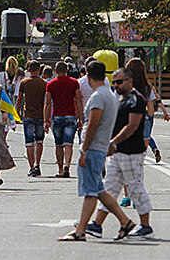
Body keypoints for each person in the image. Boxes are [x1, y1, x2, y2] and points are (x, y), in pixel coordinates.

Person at [59, 61, 135, 241]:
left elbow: (92, 124)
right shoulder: (110, 95)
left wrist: (84, 149)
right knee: (98, 189)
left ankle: (80, 231)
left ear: (87, 73)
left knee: (90, 191)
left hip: (92, 148)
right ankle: (125, 221)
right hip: (100, 146)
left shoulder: (98, 97)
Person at [85, 68, 154, 239]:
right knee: (110, 187)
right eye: (114, 82)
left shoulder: (136, 99)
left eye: (120, 82)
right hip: (119, 152)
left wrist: (113, 142)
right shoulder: (121, 99)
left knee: (135, 187)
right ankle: (97, 224)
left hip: (132, 151)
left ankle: (145, 226)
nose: (116, 85)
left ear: (130, 81)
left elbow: (132, 125)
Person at [44, 61, 82, 178]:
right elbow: (78, 99)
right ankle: (67, 165)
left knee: (58, 144)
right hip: (70, 115)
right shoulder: (74, 83)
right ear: (66, 70)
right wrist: (80, 116)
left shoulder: (50, 85)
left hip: (57, 116)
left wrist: (46, 119)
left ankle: (60, 169)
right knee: (69, 143)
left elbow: (48, 103)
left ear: (55, 71)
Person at [16, 60, 46, 177]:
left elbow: (19, 99)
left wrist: (17, 113)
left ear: (28, 70)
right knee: (39, 141)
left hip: (28, 114)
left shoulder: (24, 82)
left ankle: (32, 167)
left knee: (29, 142)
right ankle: (38, 164)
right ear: (39, 70)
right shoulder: (44, 83)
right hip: (40, 114)